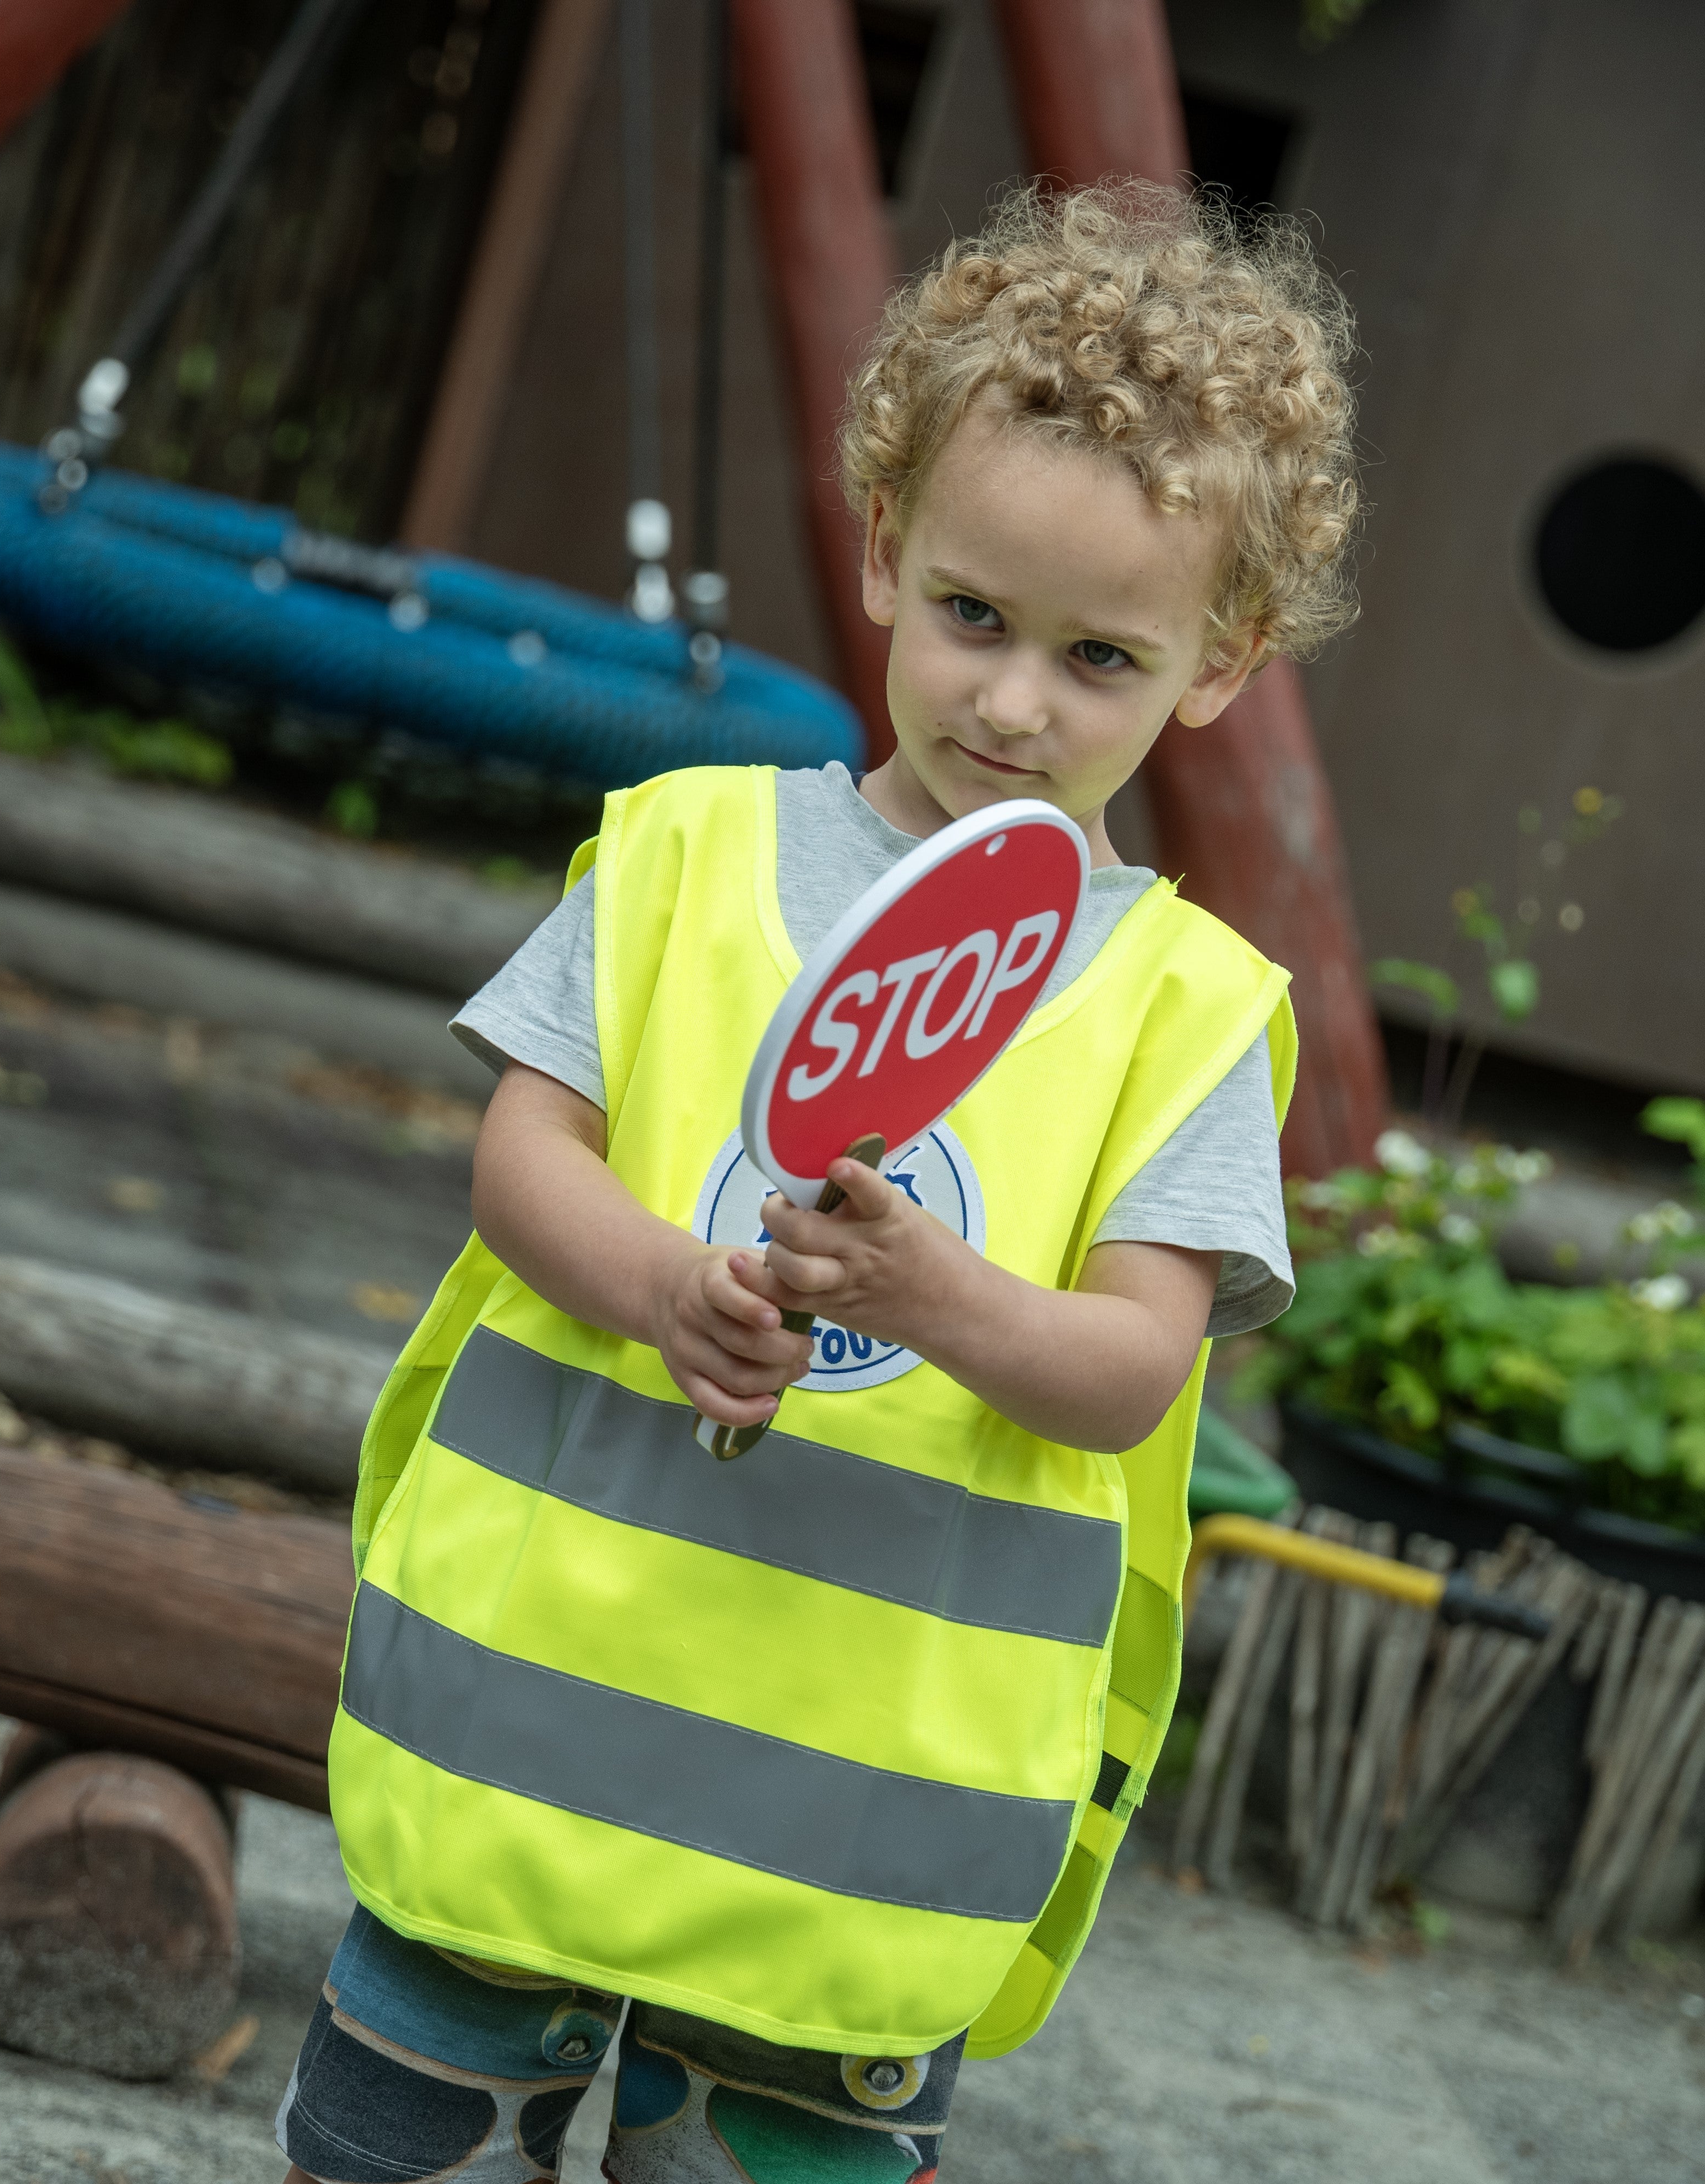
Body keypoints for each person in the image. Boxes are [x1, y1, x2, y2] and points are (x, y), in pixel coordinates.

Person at [277, 180, 1360, 2184]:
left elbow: (1137, 1371)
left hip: (866, 1829)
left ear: (1220, 664)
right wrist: (659, 1283)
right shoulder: (684, 855)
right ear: (881, 552)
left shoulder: (1183, 1010)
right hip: (537, 1721)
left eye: (1101, 657)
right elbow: (524, 1152)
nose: (1014, 703)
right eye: (973, 617)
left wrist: (935, 1297)